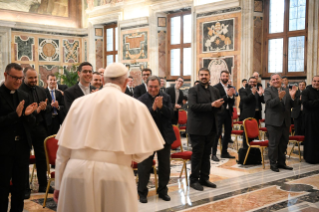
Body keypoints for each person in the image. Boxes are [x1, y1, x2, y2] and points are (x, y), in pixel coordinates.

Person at [53, 63, 165, 212]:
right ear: (126, 82)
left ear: (103, 81)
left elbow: (63, 151)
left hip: (75, 173)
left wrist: (59, 184)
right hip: (115, 175)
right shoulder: (135, 106)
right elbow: (144, 152)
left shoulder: (78, 103)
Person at [0, 63, 37, 212]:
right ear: (5, 75)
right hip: (3, 150)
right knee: (2, 188)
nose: (18, 82)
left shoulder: (24, 95)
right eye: (15, 78)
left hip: (21, 148)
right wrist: (15, 116)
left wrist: (28, 116)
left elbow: (31, 122)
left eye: (21, 78)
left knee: (19, 189)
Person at [138, 76, 176, 203]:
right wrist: (153, 108)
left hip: (164, 136)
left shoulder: (166, 97)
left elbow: (171, 115)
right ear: (147, 85)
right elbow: (140, 118)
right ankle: (142, 192)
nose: (153, 89)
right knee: (144, 166)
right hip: (147, 137)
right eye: (150, 86)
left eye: (155, 86)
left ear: (160, 86)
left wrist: (162, 107)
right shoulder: (141, 99)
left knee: (165, 166)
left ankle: (162, 191)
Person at [19, 67, 55, 196]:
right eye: (31, 78)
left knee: (42, 158)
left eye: (35, 77)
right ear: (24, 77)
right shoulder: (20, 91)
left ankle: (43, 185)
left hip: (40, 128)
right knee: (24, 159)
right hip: (26, 129)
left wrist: (45, 107)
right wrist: (37, 110)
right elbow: (22, 113)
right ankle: (25, 188)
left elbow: (50, 106)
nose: (34, 80)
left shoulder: (41, 90)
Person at [187, 68, 224, 191]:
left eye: (206, 75)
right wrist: (212, 105)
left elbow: (219, 108)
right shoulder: (193, 90)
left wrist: (218, 106)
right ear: (198, 76)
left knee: (207, 154)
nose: (204, 77)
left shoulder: (215, 90)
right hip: (197, 128)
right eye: (201, 75)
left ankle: (204, 178)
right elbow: (193, 106)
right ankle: (193, 180)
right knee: (197, 154)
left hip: (211, 127)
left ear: (209, 76)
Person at [264, 74, 297, 172]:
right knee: (273, 144)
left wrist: (293, 97)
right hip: (273, 122)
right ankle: (273, 164)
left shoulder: (287, 90)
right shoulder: (268, 91)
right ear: (270, 81)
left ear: (281, 80)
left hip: (285, 122)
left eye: (277, 79)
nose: (275, 81)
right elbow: (269, 104)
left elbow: (294, 105)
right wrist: (278, 98)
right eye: (273, 79)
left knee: (283, 143)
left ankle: (281, 163)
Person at [212, 70, 236, 161]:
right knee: (217, 133)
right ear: (220, 77)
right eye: (223, 76)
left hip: (228, 113)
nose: (225, 78)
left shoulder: (231, 87)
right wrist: (227, 95)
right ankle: (213, 154)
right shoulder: (215, 88)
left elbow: (232, 101)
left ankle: (224, 152)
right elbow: (218, 100)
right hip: (218, 113)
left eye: (226, 76)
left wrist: (231, 97)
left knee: (227, 133)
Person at [239, 76, 264, 148]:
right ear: (248, 82)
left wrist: (261, 94)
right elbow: (244, 100)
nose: (253, 83)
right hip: (248, 114)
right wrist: (252, 93)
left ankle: (253, 149)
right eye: (251, 82)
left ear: (256, 83)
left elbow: (263, 101)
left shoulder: (258, 90)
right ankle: (245, 148)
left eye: (254, 82)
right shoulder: (244, 90)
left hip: (256, 114)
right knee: (246, 133)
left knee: (255, 133)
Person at [301, 76, 319, 164]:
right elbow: (306, 103)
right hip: (310, 119)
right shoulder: (306, 91)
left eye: (318, 81)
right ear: (312, 82)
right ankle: (310, 158)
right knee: (311, 138)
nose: (316, 83)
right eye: (315, 81)